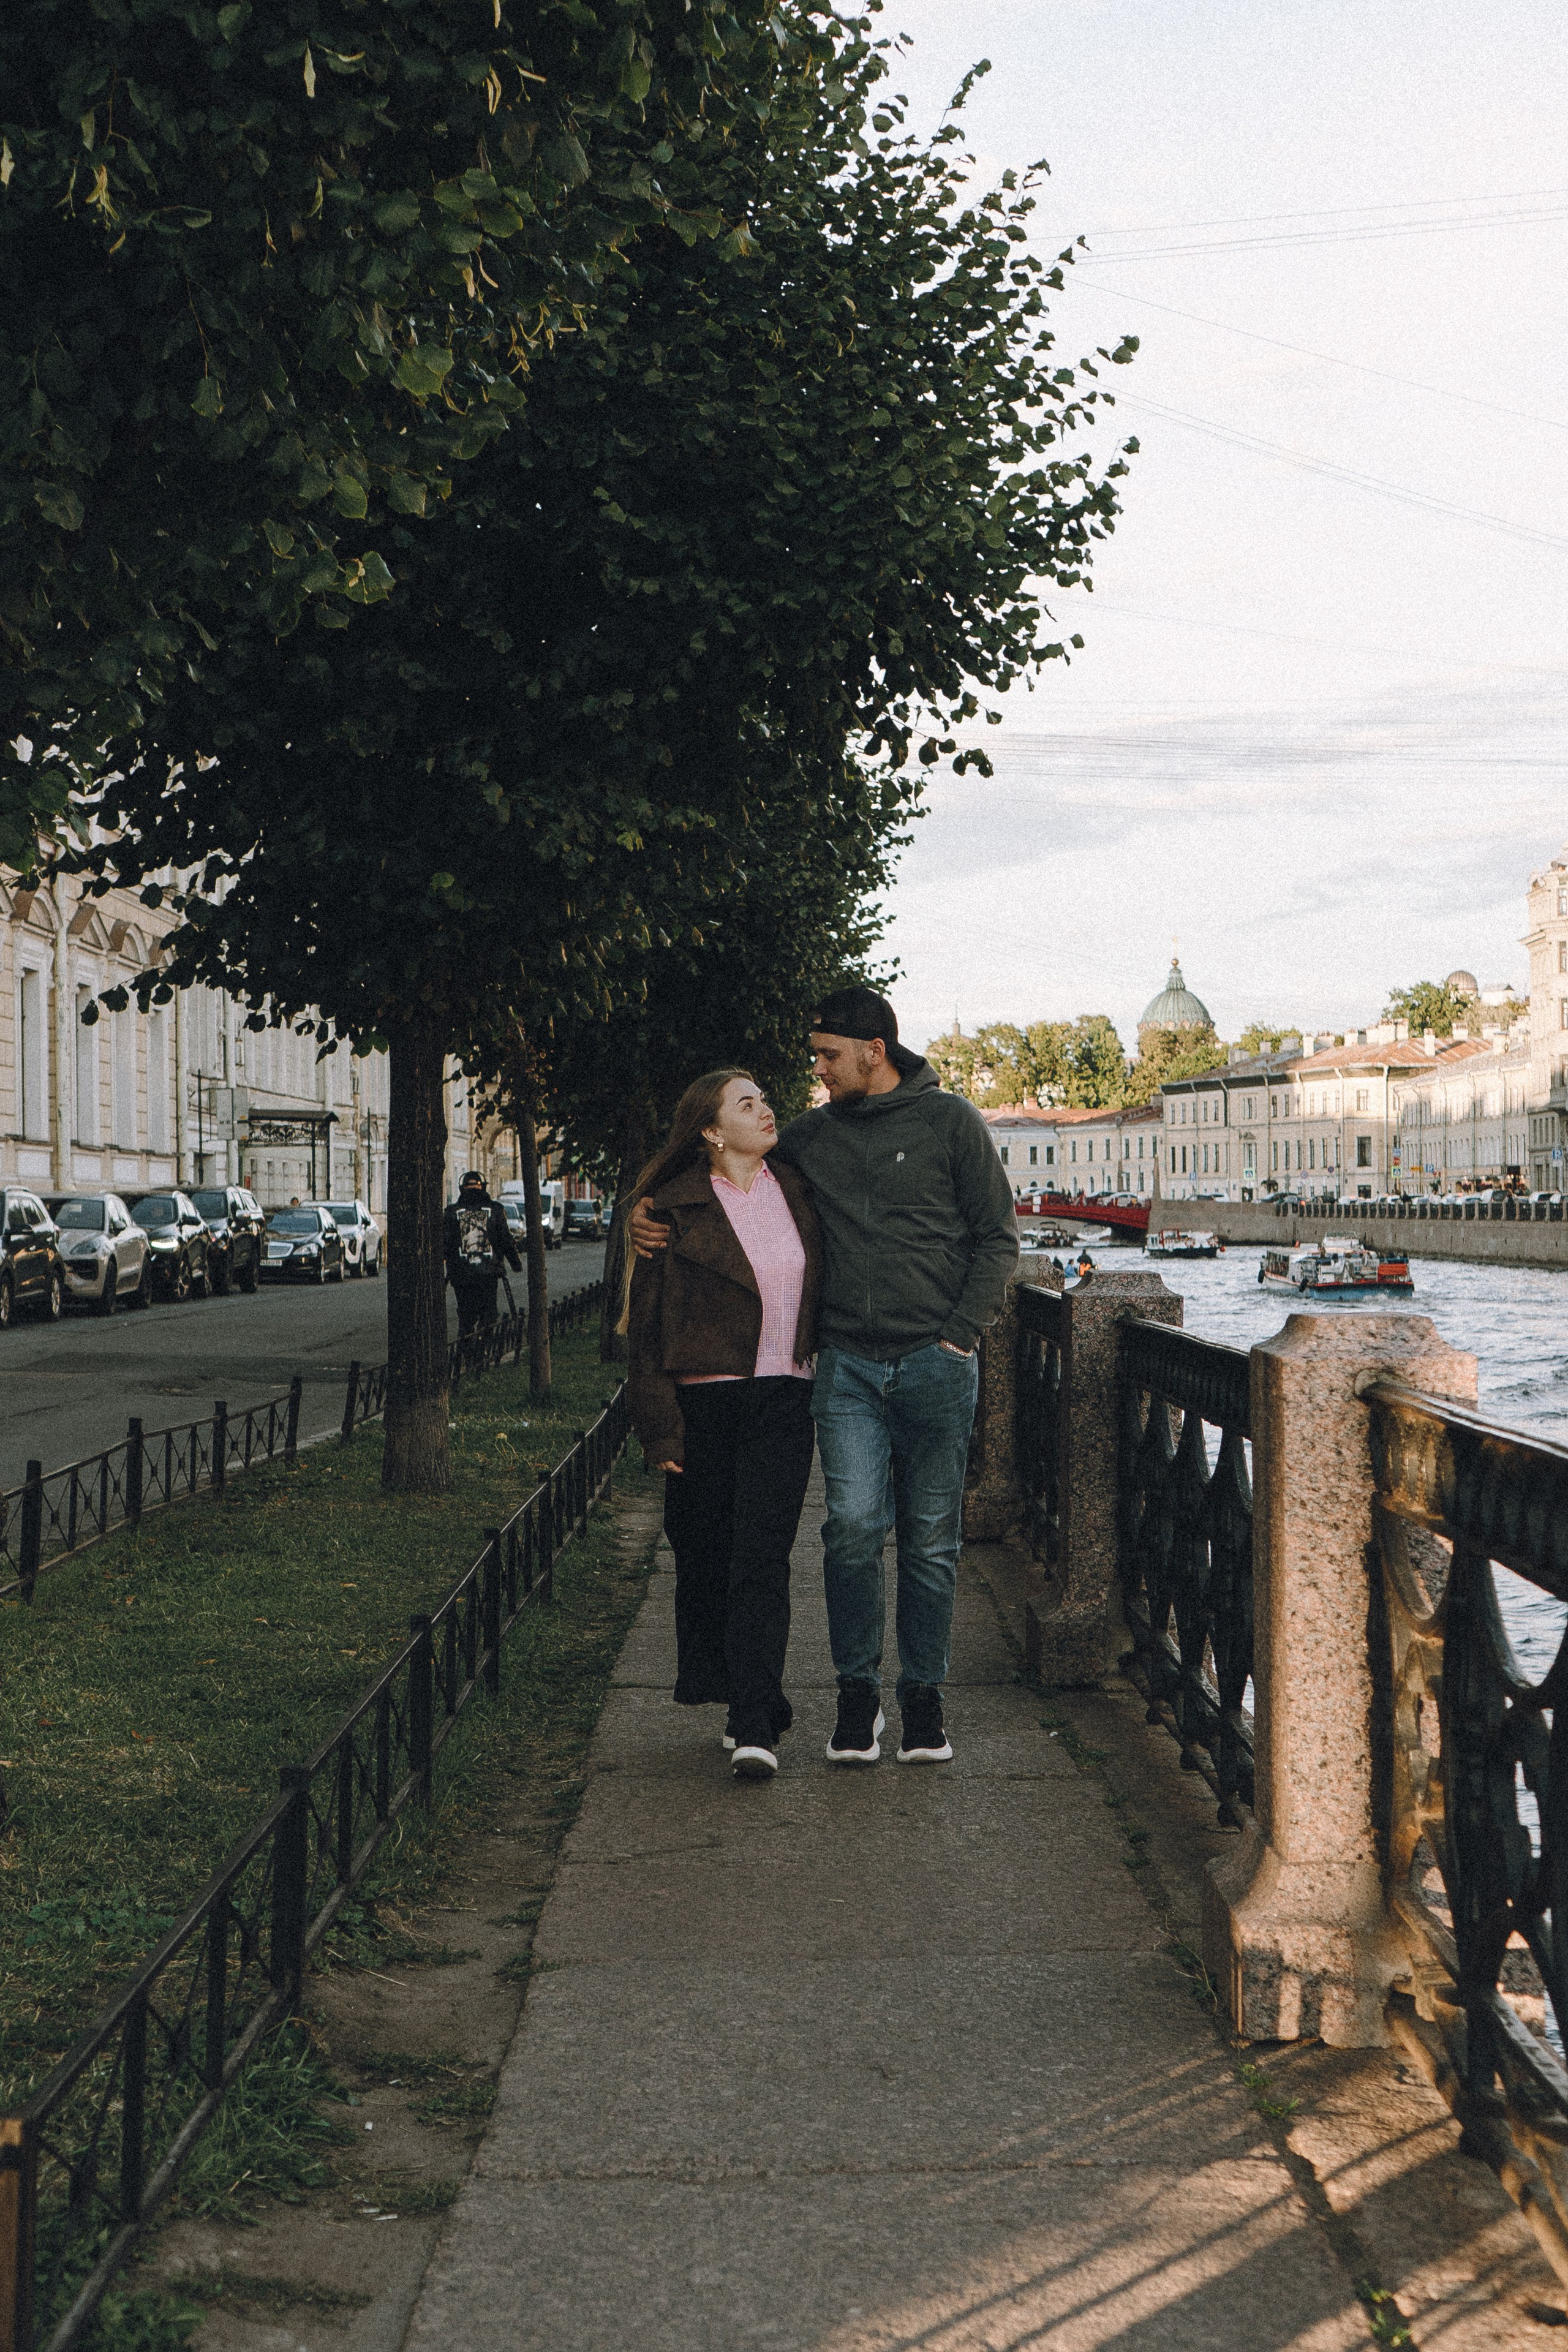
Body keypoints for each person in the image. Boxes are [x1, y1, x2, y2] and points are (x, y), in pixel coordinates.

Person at [631, 988, 1017, 1769]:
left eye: (827, 1055)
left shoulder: (951, 1123)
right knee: (850, 1531)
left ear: (874, 1051)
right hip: (844, 1368)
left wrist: (957, 1334)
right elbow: (707, 1170)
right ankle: (856, 1699)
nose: (816, 1070)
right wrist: (639, 1214)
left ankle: (923, 1701)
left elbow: (997, 1238)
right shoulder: (812, 1136)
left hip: (935, 1364)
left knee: (930, 1541)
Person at [625, 1069, 821, 1782]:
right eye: (747, 1104)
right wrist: (659, 1428)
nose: (766, 1111)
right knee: (706, 1556)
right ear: (710, 1130)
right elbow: (646, 1332)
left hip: (785, 1397)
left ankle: (754, 1723)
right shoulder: (671, 1211)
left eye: (764, 1099)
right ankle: (746, 1689)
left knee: (762, 1558)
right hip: (703, 1405)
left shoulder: (797, 1188)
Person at [443, 1169, 521, 1337]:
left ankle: (466, 1347)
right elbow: (506, 1240)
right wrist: (516, 1264)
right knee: (488, 1314)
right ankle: (484, 1347)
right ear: (483, 1187)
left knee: (466, 1317)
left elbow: (445, 1243)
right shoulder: (496, 1210)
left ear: (462, 1188)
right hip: (489, 1273)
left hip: (461, 1275)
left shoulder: (451, 1212)